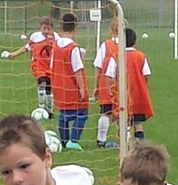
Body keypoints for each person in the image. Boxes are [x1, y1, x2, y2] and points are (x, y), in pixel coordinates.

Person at [104, 28, 154, 140]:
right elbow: (146, 74)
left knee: (122, 122)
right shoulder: (141, 56)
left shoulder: (116, 56)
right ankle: (139, 144)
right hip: (138, 96)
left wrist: (110, 90)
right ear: (135, 41)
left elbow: (110, 75)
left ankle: (124, 144)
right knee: (138, 123)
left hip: (121, 95)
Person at [50, 12, 88, 151]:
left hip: (58, 85)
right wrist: (82, 89)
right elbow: (77, 69)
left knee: (64, 113)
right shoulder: (73, 48)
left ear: (61, 27)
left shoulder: (55, 46)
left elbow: (52, 66)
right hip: (71, 86)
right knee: (82, 113)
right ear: (75, 28)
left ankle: (64, 141)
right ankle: (73, 140)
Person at [6, 15, 54, 111]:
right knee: (42, 83)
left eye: (48, 29)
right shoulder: (35, 36)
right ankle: (40, 108)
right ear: (40, 27)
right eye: (44, 28)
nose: (46, 31)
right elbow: (26, 48)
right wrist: (15, 53)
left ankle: (49, 110)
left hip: (50, 67)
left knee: (49, 89)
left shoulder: (55, 38)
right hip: (38, 65)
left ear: (52, 29)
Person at [91, 18, 120, 149]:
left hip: (106, 84)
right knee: (122, 113)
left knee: (105, 113)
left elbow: (98, 66)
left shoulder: (105, 45)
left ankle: (101, 140)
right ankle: (123, 141)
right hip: (122, 86)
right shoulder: (127, 45)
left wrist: (96, 86)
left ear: (111, 30)